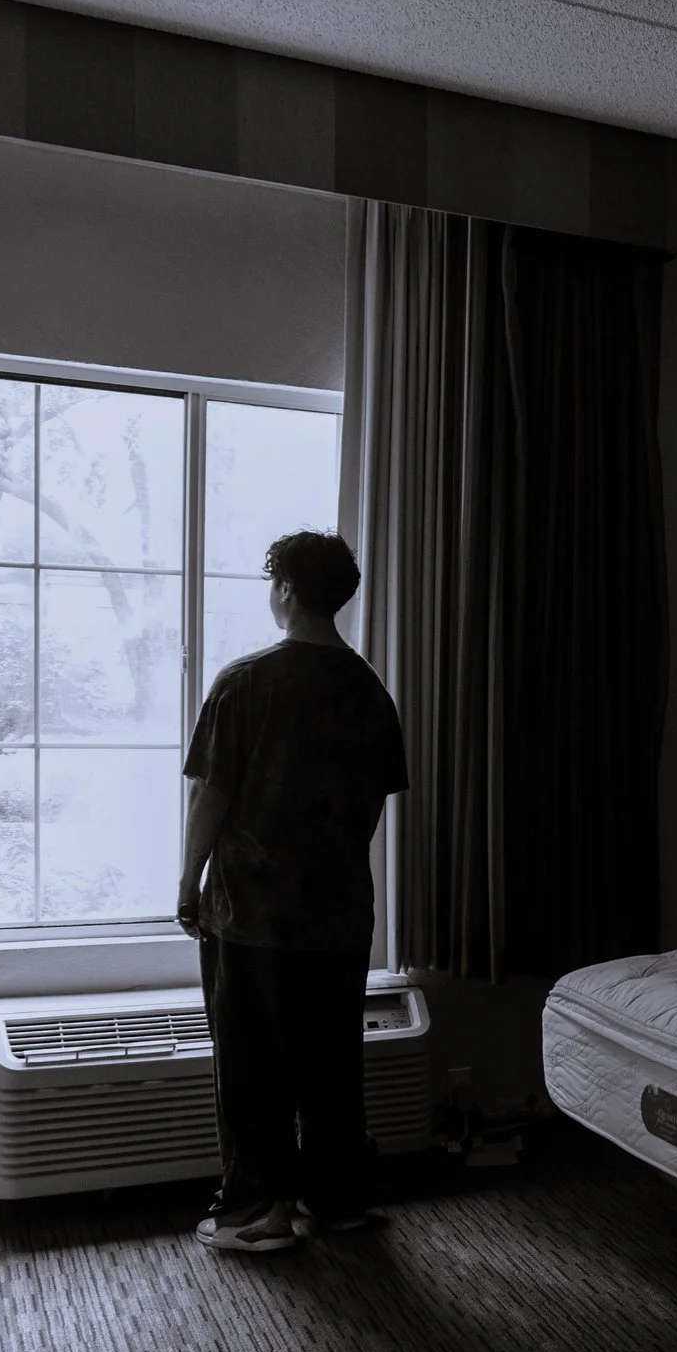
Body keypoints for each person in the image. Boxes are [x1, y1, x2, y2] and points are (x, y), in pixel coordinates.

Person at [179, 531, 408, 1253]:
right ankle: (336, 1200)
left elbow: (213, 796)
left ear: (284, 589)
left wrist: (189, 880)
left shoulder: (245, 681)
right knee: (332, 1064)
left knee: (251, 1065)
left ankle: (256, 1211)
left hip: (252, 913)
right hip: (338, 915)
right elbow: (370, 808)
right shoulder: (370, 690)